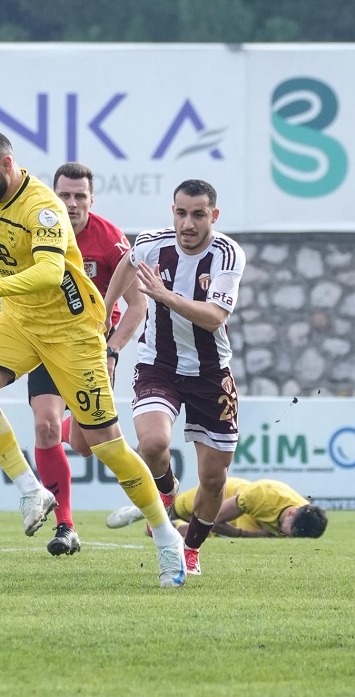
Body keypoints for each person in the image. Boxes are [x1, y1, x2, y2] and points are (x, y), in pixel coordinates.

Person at [0, 128, 186, 588]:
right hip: (21, 321)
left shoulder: (42, 208)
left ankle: (167, 540)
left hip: (72, 332)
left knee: (106, 446)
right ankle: (31, 491)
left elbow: (48, 273)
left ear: (8, 165)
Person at [102, 178, 246, 576]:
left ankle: (193, 548)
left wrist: (163, 296)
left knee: (214, 479)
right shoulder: (152, 243)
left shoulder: (227, 255)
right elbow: (127, 264)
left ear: (213, 216)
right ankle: (165, 493)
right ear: (173, 212)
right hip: (158, 363)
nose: (188, 223)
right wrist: (108, 304)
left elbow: (215, 316)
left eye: (198, 215)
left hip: (210, 373)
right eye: (181, 213)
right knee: (152, 442)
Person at [28, 162, 146, 557]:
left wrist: (112, 350)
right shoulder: (36, 232)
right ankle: (65, 526)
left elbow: (137, 306)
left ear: (91, 200)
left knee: (82, 445)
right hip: (46, 341)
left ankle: (67, 429)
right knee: (43, 426)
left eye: (80, 196)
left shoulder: (111, 240)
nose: (72, 203)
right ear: (53, 196)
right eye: (65, 195)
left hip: (92, 352)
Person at [106, 476, 328, 542]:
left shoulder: (302, 519)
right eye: (285, 529)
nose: (284, 534)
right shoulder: (263, 495)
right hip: (227, 494)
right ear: (290, 512)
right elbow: (211, 519)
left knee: (172, 531)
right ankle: (142, 509)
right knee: (184, 513)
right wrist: (246, 534)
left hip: (254, 520)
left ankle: (163, 527)